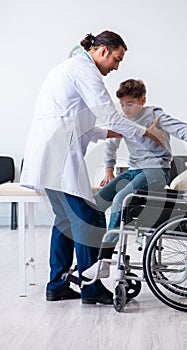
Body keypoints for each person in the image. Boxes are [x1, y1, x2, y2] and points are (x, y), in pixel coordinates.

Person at [20, 31, 165, 305]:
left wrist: (122, 134)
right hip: (57, 156)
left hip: (48, 153)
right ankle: (91, 287)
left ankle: (57, 285)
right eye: (116, 59)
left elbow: (90, 125)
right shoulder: (84, 71)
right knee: (88, 218)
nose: (116, 67)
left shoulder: (72, 69)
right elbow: (107, 114)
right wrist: (144, 132)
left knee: (65, 222)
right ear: (102, 51)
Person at [82, 78, 187, 280]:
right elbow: (111, 144)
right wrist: (108, 169)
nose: (125, 109)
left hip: (157, 171)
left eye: (130, 104)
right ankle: (93, 257)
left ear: (143, 100)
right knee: (96, 203)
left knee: (120, 199)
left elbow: (184, 129)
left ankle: (105, 261)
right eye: (122, 104)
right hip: (134, 170)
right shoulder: (121, 119)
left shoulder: (155, 116)